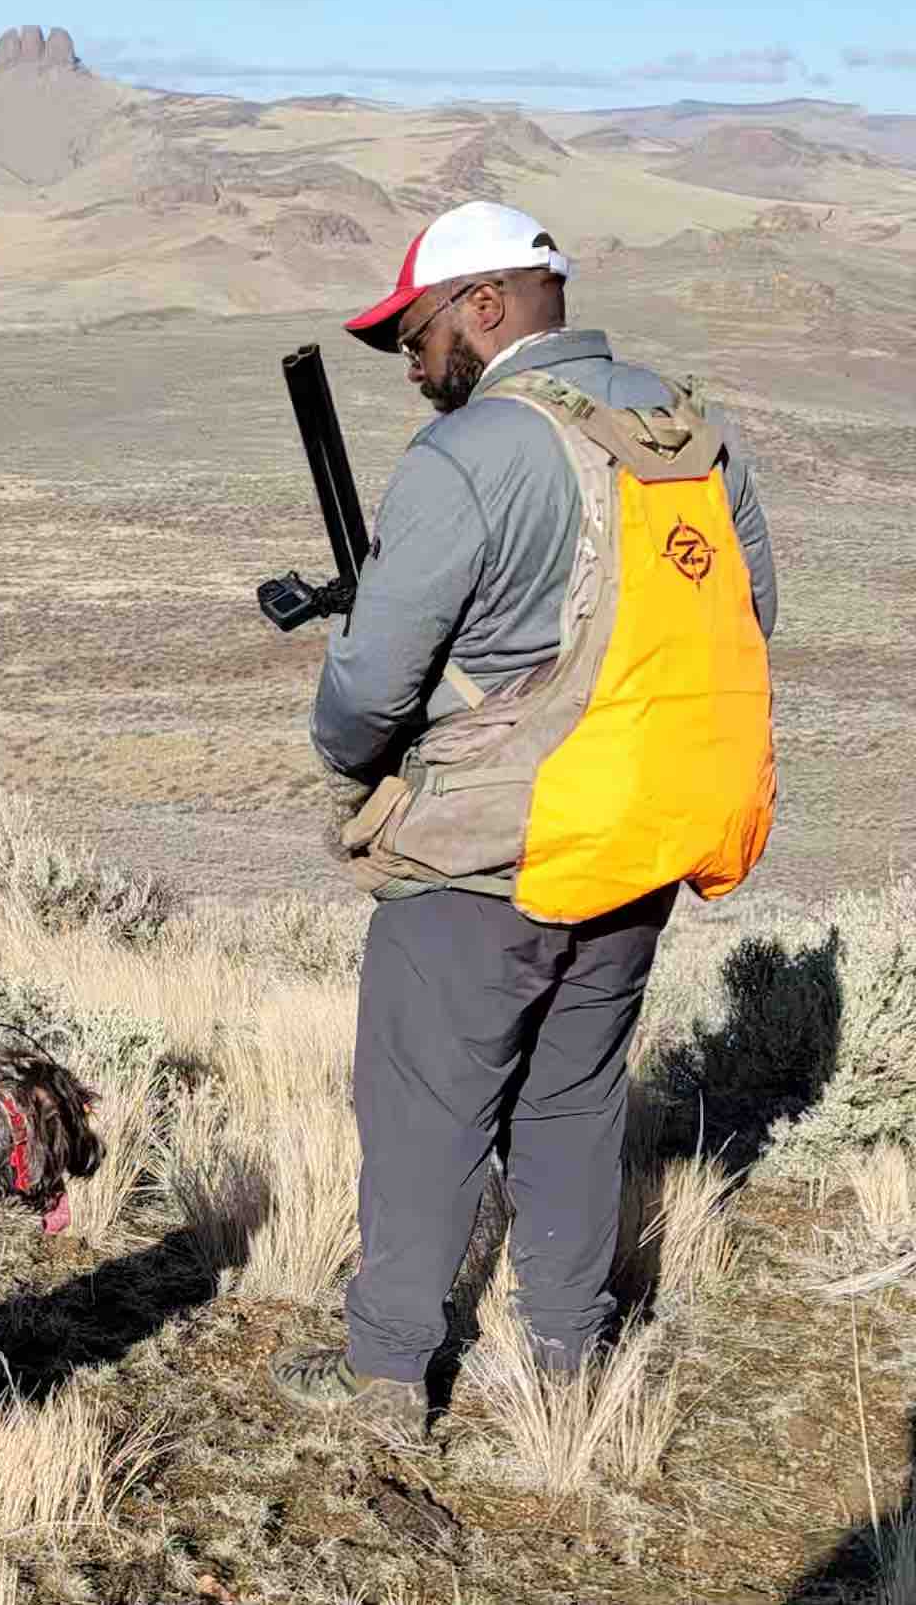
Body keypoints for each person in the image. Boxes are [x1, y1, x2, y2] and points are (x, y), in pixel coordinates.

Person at [268, 201, 778, 1432]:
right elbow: (746, 617)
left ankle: (385, 1378)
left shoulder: (472, 452)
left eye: (418, 328)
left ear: (486, 305)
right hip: (636, 839)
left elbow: (364, 696)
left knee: (420, 1113)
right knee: (574, 1098)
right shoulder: (685, 430)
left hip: (483, 860)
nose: (410, 357)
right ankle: (565, 1354)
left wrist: (354, 726)